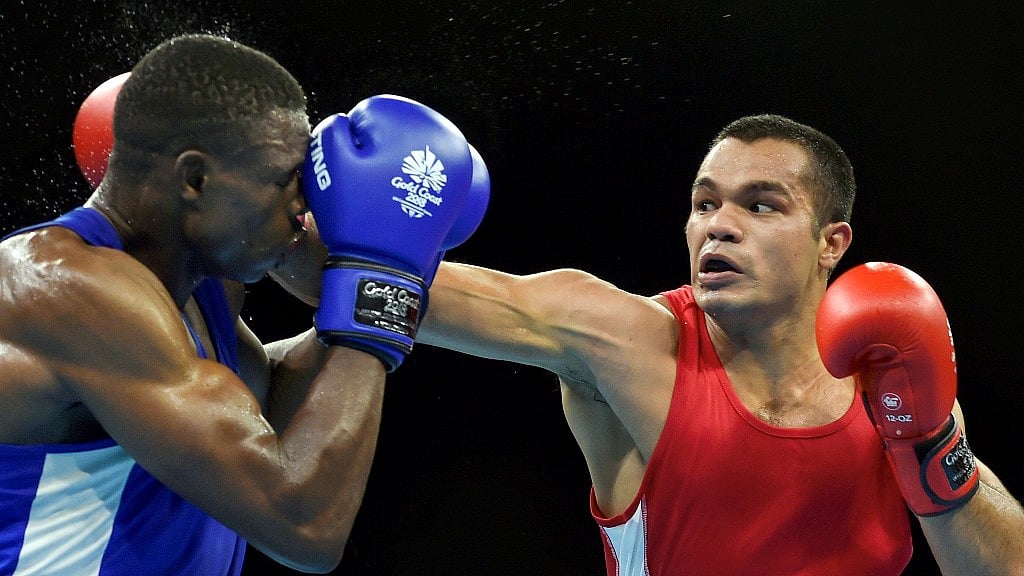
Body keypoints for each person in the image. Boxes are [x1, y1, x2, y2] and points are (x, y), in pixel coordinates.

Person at [416, 114, 1024, 575]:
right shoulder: (627, 342)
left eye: (760, 206)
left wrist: (928, 448)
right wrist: (364, 238)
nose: (719, 226)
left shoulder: (886, 377)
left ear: (831, 243)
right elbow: (417, 292)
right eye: (705, 204)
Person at [0, 34, 485, 574]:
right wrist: (377, 291)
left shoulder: (198, 280)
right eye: (283, 182)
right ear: (195, 179)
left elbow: (258, 406)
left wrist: (399, 269)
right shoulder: (70, 292)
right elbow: (303, 527)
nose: (302, 207)